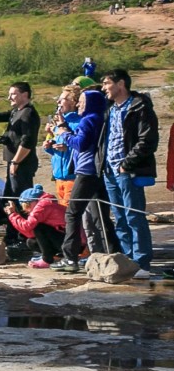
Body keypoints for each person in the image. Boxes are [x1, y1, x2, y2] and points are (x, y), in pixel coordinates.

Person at [98, 68, 160, 277]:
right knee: (120, 218)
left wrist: (127, 164)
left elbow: (148, 140)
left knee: (134, 216)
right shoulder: (109, 108)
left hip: (127, 171)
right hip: (109, 171)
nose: (104, 88)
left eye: (107, 83)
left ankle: (142, 263)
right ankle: (126, 261)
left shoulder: (140, 107)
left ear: (121, 84)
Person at [57, 87, 114, 273]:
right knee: (101, 217)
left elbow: (80, 144)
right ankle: (114, 253)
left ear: (91, 104)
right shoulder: (100, 119)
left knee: (72, 213)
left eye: (82, 101)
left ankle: (70, 258)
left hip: (87, 171)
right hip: (97, 171)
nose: (79, 104)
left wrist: (64, 131)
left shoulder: (89, 119)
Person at [0, 84, 40, 246]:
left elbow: (28, 141)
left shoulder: (29, 113)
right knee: (10, 197)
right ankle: (13, 233)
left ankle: (23, 236)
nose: (9, 97)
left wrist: (16, 161)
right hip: (13, 162)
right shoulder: (16, 111)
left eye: (13, 94)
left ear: (25, 95)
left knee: (20, 198)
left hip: (22, 163)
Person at [5, 186, 65, 268]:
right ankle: (54, 255)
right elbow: (30, 233)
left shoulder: (43, 205)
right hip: (63, 238)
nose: (27, 210)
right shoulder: (45, 202)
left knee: (39, 227)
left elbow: (27, 226)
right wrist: (14, 215)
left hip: (70, 242)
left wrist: (12, 214)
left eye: (27, 206)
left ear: (30, 202)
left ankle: (47, 259)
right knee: (31, 242)